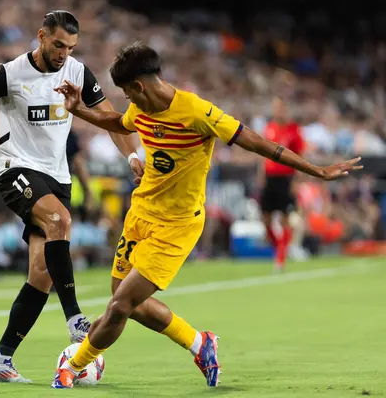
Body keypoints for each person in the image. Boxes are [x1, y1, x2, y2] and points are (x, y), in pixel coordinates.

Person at [50, 42, 362, 389]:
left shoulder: (196, 111)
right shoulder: (141, 108)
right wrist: (79, 110)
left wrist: (315, 170)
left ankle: (73, 366)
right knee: (130, 303)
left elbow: (257, 142)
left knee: (121, 303)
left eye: (127, 93)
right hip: (141, 213)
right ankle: (201, 343)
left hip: (177, 225)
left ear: (139, 86)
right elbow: (120, 124)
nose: (128, 100)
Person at [0, 11, 143, 383]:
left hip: (57, 177)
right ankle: (75, 320)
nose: (63, 53)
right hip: (17, 170)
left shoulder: (77, 72)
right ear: (41, 36)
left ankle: (0, 360)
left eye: (70, 47)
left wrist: (132, 156)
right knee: (60, 221)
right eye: (58, 45)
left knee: (41, 275)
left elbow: (110, 119)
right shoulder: (11, 74)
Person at [259, 97, 305, 271]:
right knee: (265, 218)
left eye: (281, 108)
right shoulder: (269, 128)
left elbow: (299, 157)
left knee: (285, 218)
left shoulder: (294, 130)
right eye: (275, 108)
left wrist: (296, 180)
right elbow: (263, 153)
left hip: (286, 179)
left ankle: (280, 257)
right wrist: (261, 174)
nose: (278, 111)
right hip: (270, 178)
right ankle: (279, 247)